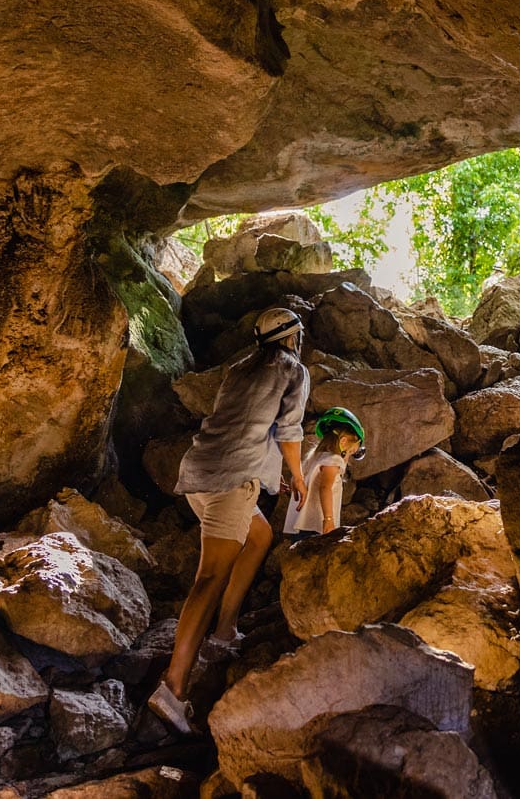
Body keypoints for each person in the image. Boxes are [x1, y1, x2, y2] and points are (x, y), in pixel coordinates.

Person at [147, 307, 309, 734]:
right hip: (233, 480)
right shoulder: (293, 369)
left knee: (259, 536)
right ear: (293, 337)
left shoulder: (241, 368)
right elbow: (289, 430)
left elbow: (243, 422)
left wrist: (276, 474)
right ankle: (174, 687)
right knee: (210, 577)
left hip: (198, 472)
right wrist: (296, 474)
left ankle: (224, 631)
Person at [284, 407, 366, 540]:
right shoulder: (333, 460)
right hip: (316, 524)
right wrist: (328, 519)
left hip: (302, 522)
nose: (349, 457)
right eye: (351, 452)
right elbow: (325, 488)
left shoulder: (316, 456)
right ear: (343, 442)